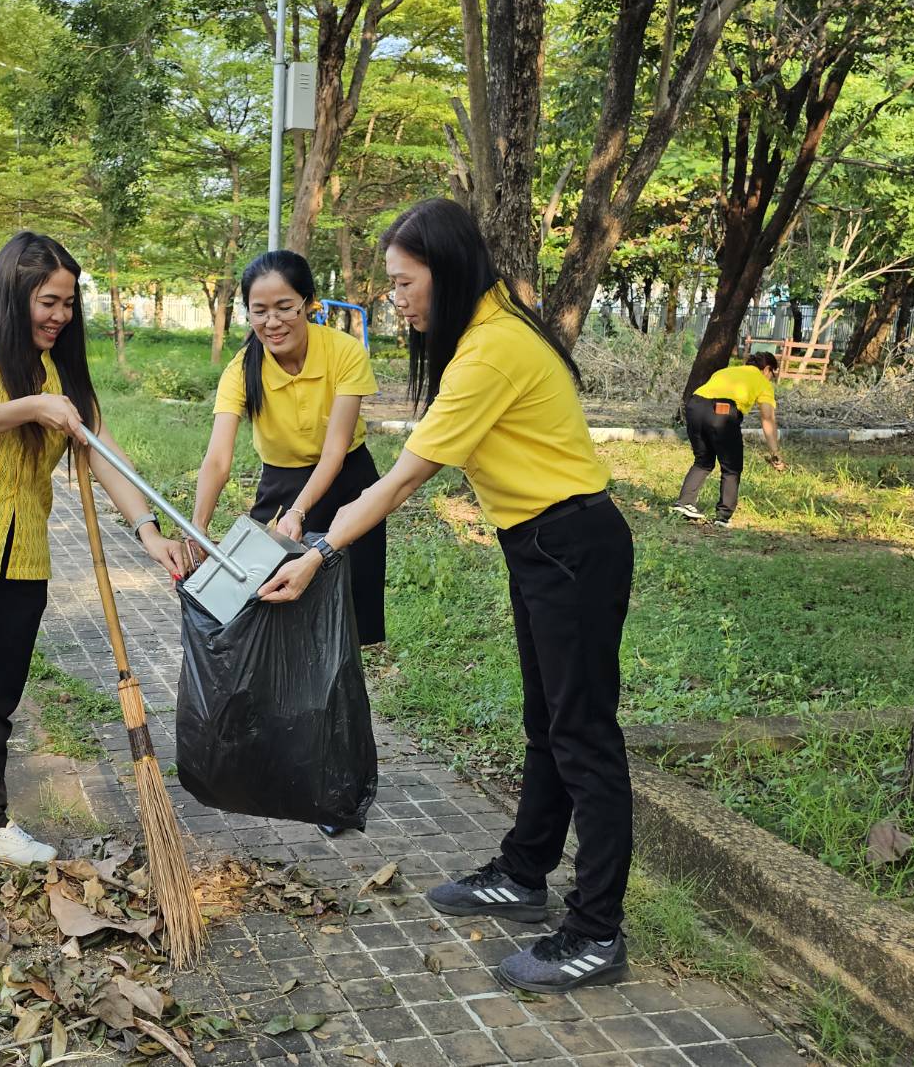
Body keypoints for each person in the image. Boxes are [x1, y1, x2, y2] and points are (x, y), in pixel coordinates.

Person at [258, 199, 634, 994]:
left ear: (447, 270)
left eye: (403, 282)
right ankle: (525, 871)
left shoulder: (490, 351)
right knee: (550, 723)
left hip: (570, 545)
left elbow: (399, 481)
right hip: (543, 544)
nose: (395, 298)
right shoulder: (485, 329)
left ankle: (597, 930)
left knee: (583, 737)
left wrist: (321, 549)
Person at [0, 231, 190, 937]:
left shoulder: (62, 371)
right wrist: (29, 408)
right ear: (14, 292)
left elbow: (105, 454)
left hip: (21, 562)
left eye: (67, 303)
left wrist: (148, 532)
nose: (58, 315)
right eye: (47, 301)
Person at [190, 250, 385, 647]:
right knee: (262, 601)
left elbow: (335, 450)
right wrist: (198, 527)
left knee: (346, 620)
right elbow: (217, 458)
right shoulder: (241, 370)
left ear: (309, 304)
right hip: (280, 487)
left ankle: (335, 700)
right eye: (258, 311)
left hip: (350, 482)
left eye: (284, 308)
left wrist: (301, 510)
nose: (272, 322)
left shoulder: (344, 352)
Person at [672, 352, 786, 525]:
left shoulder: (726, 371)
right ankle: (723, 516)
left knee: (703, 460)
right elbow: (767, 418)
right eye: (772, 375)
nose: (771, 379)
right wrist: (775, 452)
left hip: (694, 407)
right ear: (767, 369)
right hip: (722, 411)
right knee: (731, 466)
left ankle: (685, 502)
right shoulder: (762, 381)